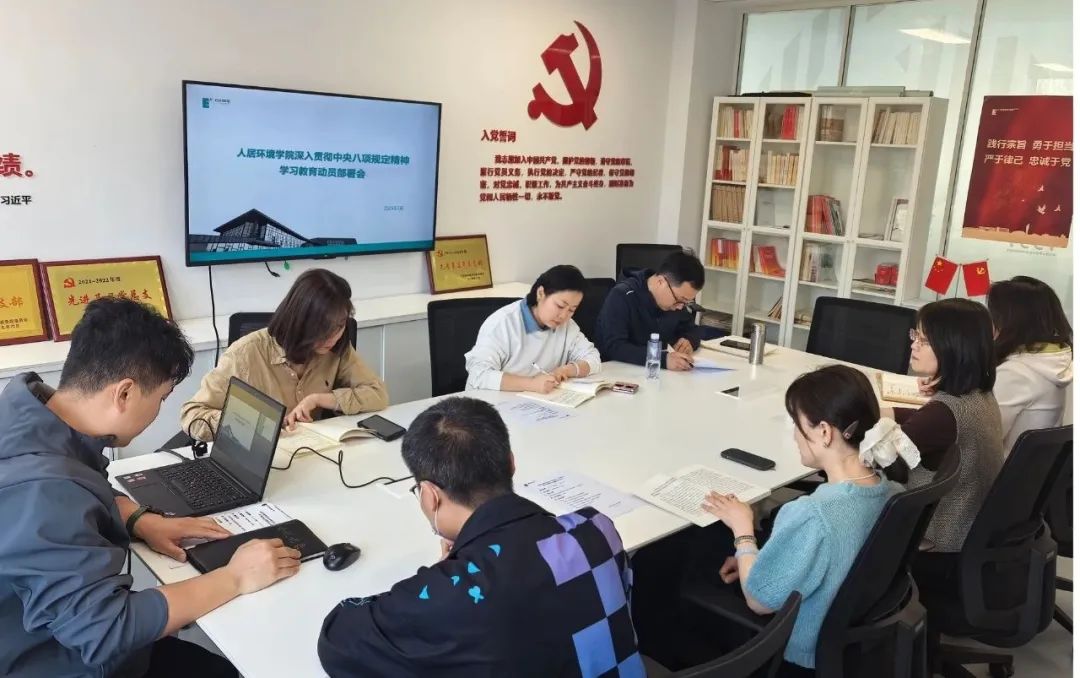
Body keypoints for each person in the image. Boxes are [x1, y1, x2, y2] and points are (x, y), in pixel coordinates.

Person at [0, 298, 300, 678]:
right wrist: (236, 576)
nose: (158, 411)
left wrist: (139, 519)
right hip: (54, 659)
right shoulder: (44, 492)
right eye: (161, 398)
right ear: (124, 393)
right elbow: (107, 630)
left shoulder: (27, 414)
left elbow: (75, 488)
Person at [318, 397, 643, 677]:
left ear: (429, 495)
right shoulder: (596, 528)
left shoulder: (455, 592)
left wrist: (445, 575)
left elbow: (338, 637)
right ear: (511, 464)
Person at [688, 366, 910, 675]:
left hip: (797, 654)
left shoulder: (813, 515)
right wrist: (755, 559)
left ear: (824, 432)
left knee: (676, 565)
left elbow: (759, 599)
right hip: (851, 646)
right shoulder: (893, 493)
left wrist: (743, 531)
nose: (794, 434)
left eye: (797, 423)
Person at [181, 268, 388, 440]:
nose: (332, 338)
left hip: (315, 452)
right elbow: (192, 415)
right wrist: (254, 424)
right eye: (322, 330)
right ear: (299, 322)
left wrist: (318, 399)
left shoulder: (337, 348)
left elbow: (378, 394)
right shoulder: (244, 355)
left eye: (340, 326)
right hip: (263, 460)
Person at [894, 299, 1002, 570]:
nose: (913, 345)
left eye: (924, 340)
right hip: (971, 530)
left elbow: (880, 459)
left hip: (936, 539)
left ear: (954, 348)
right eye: (915, 335)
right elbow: (924, 423)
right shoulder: (978, 395)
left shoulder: (942, 414)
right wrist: (884, 412)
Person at [465, 264, 601, 394]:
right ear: (540, 293)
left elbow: (593, 358)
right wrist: (531, 384)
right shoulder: (502, 324)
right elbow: (479, 374)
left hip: (539, 401)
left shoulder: (567, 325)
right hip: (488, 403)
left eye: (572, 310)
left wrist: (567, 370)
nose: (564, 316)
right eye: (560, 306)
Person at [987, 276, 1073, 453]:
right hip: (1036, 467)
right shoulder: (1055, 360)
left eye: (994, 316)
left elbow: (982, 437)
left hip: (1001, 466)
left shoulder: (1016, 373)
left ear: (1011, 322)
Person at [593, 251, 704, 372]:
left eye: (686, 302)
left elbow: (692, 329)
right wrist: (661, 359)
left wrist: (689, 341)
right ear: (661, 282)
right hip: (617, 372)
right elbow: (615, 347)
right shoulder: (622, 295)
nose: (680, 307)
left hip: (658, 374)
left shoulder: (676, 302)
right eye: (679, 299)